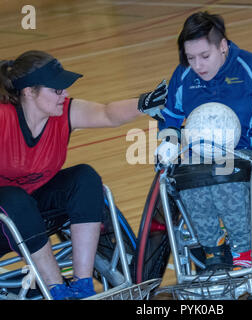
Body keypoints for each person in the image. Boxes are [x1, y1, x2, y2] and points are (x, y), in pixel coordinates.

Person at [0, 50, 167, 299]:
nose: (64, 94)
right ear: (28, 92)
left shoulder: (63, 113)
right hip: (5, 220)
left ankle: (82, 285)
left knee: (84, 177)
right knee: (13, 198)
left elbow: (108, 114)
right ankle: (56, 289)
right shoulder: (4, 119)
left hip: (34, 212)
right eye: (56, 90)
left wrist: (145, 102)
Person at [155, 12, 252, 271]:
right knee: (187, 175)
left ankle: (243, 250)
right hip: (200, 155)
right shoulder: (183, 76)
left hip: (250, 153)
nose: (198, 66)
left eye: (205, 56)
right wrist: (168, 138)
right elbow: (169, 117)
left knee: (225, 170)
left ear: (223, 46)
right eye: (190, 58)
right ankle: (213, 252)